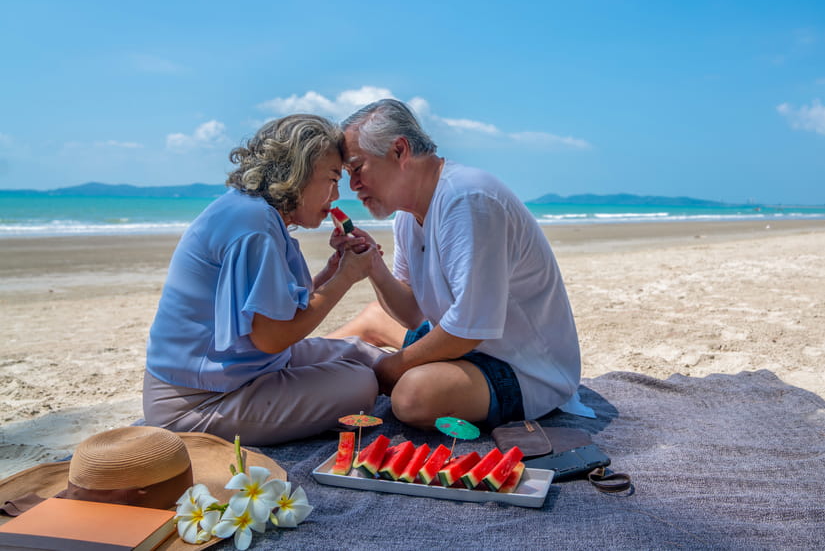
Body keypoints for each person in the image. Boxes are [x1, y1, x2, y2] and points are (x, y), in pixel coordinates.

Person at [328, 98, 592, 429]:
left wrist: (390, 369)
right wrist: (372, 267)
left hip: (525, 368)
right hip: (469, 346)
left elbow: (468, 330)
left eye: (356, 169)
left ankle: (317, 380)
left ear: (399, 150)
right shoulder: (408, 215)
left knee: (412, 395)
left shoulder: (467, 198)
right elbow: (412, 313)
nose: (352, 186)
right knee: (372, 319)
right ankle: (288, 371)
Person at [143, 114, 384, 445]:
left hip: (244, 370)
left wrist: (332, 270)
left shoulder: (252, 212)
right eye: (332, 178)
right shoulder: (254, 225)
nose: (335, 195)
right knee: (360, 383)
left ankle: (427, 383)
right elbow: (272, 337)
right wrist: (345, 278)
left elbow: (273, 307)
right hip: (199, 401)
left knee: (359, 352)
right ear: (297, 173)